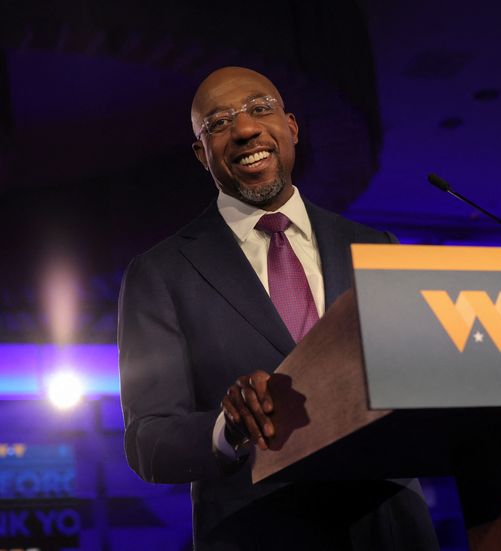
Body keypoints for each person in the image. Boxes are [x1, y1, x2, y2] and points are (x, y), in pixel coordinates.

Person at [118, 66, 439, 551]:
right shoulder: (161, 273)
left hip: (389, 529)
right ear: (200, 155)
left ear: (291, 126)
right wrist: (228, 427)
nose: (245, 129)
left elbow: (418, 388)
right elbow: (149, 440)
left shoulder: (377, 248)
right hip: (257, 532)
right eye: (219, 123)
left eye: (259, 109)